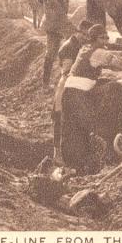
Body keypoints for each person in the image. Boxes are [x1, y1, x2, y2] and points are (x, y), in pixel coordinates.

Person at [60, 24, 122, 173]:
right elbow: (121, 64)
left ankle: (76, 168)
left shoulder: (86, 48)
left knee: (74, 131)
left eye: (107, 37)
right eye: (102, 37)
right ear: (95, 38)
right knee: (115, 91)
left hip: (69, 93)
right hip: (80, 95)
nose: (105, 40)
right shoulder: (99, 52)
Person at [51, 19, 94, 165]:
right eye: (85, 35)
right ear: (78, 32)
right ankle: (58, 154)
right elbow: (67, 71)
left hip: (77, 84)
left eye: (89, 37)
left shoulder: (81, 45)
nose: (87, 39)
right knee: (60, 117)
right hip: (66, 84)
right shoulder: (68, 47)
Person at [41, 0, 74, 87]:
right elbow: (51, 1)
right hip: (56, 24)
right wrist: (63, 17)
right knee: (67, 47)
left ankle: (48, 82)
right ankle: (62, 81)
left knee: (52, 52)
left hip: (54, 22)